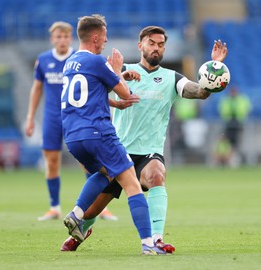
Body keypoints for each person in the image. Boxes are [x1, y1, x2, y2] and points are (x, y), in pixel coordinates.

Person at [61, 26, 228, 253]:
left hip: (149, 152)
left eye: (160, 45)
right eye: (152, 43)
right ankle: (82, 230)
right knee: (91, 211)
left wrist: (213, 70)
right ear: (141, 46)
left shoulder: (171, 78)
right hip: (117, 149)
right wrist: (119, 76)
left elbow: (198, 92)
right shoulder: (119, 72)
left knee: (157, 175)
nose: (156, 48)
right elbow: (92, 94)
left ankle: (156, 239)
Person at [60, 14, 165, 255]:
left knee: (104, 173)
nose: (106, 42)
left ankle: (77, 214)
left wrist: (114, 102)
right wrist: (117, 70)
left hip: (74, 137)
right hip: (99, 133)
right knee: (132, 185)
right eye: (105, 37)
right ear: (95, 38)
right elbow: (127, 93)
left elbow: (87, 94)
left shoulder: (71, 63)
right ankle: (148, 244)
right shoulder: (98, 62)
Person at [24, 21, 118, 222]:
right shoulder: (43, 60)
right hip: (52, 117)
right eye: (58, 36)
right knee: (51, 161)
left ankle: (97, 206)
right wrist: (30, 117)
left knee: (88, 163)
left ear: (71, 38)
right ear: (52, 39)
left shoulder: (79, 59)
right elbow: (37, 88)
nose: (62, 40)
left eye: (65, 36)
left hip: (78, 117)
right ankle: (54, 207)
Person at [218, 86, 251, 156]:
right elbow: (223, 110)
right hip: (228, 122)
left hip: (238, 122)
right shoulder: (226, 100)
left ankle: (234, 155)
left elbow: (245, 109)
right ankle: (227, 155)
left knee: (236, 140)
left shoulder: (242, 99)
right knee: (227, 140)